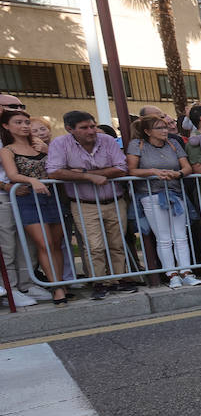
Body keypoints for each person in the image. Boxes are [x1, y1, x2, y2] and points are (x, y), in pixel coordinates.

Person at [47, 110, 139, 300]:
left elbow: (121, 168)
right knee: (94, 245)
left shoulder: (106, 141)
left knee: (117, 242)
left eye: (93, 126)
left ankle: (119, 279)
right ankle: (99, 282)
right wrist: (88, 176)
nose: (91, 131)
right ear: (70, 129)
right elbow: (54, 172)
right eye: (84, 128)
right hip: (84, 203)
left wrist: (89, 172)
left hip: (114, 200)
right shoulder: (60, 144)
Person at [0, 109, 69, 305]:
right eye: (18, 122)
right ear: (6, 126)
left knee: (56, 244)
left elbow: (59, 165)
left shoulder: (41, 145)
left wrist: (47, 150)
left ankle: (60, 283)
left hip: (52, 196)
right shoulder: (8, 150)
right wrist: (32, 180)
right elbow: (12, 175)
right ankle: (57, 289)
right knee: (44, 243)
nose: (24, 126)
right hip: (29, 198)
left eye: (26, 122)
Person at [126, 114, 201, 289]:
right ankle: (172, 274)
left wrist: (178, 174)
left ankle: (187, 272)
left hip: (175, 193)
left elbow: (187, 167)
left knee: (181, 236)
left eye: (165, 127)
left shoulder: (173, 144)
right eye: (160, 128)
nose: (165, 131)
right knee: (164, 238)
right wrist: (152, 171)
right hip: (151, 194)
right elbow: (132, 170)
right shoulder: (137, 145)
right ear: (147, 131)